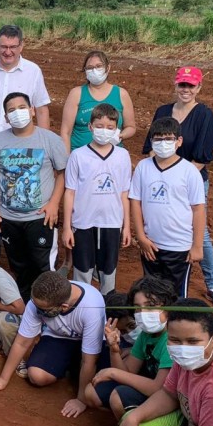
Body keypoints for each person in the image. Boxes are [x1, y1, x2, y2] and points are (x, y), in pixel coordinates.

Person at [143, 66, 213, 309]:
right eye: (182, 84)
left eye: (191, 86)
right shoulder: (162, 112)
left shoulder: (204, 115)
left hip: (192, 177)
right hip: (159, 178)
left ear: (199, 88)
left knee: (198, 231)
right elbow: (151, 146)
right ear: (175, 85)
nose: (186, 90)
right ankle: (158, 281)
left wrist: (178, 177)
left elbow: (202, 156)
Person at [0, 272, 108, 419]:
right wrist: (3, 379)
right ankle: (70, 367)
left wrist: (81, 399)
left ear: (63, 307)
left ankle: (72, 368)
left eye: (43, 310)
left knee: (98, 389)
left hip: (88, 341)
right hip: (58, 337)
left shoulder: (92, 305)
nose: (35, 309)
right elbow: (22, 342)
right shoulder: (38, 301)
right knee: (36, 376)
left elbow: (89, 359)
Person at [0, 92, 68, 301]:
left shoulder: (49, 139)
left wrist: (53, 204)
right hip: (9, 218)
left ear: (32, 111)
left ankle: (48, 309)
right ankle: (26, 309)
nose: (17, 113)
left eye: (22, 108)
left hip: (40, 217)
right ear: (5, 117)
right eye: (11, 110)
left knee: (42, 266)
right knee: (18, 265)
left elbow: (63, 174)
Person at [87, 276, 177, 426]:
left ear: (168, 306)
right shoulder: (147, 334)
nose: (143, 312)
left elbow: (157, 388)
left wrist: (113, 373)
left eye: (151, 305)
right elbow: (128, 371)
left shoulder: (173, 339)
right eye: (138, 307)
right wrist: (114, 349)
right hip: (154, 389)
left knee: (117, 396)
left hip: (168, 397)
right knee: (94, 393)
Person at [131, 116, 206, 297]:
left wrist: (197, 246)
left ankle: (173, 325)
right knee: (151, 294)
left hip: (179, 247)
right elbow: (135, 202)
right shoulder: (143, 167)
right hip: (151, 246)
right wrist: (141, 237)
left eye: (168, 139)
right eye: (157, 139)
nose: (162, 143)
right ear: (151, 141)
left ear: (178, 141)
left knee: (176, 297)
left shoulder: (189, 172)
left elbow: (198, 210)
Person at [62, 102, 132, 294]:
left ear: (116, 129)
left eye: (110, 128)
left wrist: (126, 226)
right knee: (82, 269)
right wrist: (67, 227)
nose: (104, 131)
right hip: (83, 222)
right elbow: (70, 192)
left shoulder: (122, 156)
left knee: (108, 271)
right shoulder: (78, 156)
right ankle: (82, 308)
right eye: (99, 126)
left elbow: (124, 193)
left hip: (112, 222)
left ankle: (106, 312)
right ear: (90, 127)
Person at [0, 24, 51, 136]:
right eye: (4, 47)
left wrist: (44, 141)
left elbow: (41, 110)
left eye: (12, 47)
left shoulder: (33, 71)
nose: (8, 52)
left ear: (21, 46)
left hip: (20, 143)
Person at [59, 50, 136, 152]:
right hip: (81, 153)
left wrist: (120, 135)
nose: (94, 70)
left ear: (108, 68)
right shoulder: (76, 94)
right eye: (90, 68)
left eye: (99, 66)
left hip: (112, 153)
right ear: (85, 70)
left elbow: (131, 127)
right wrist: (67, 160)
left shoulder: (121, 94)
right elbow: (65, 132)